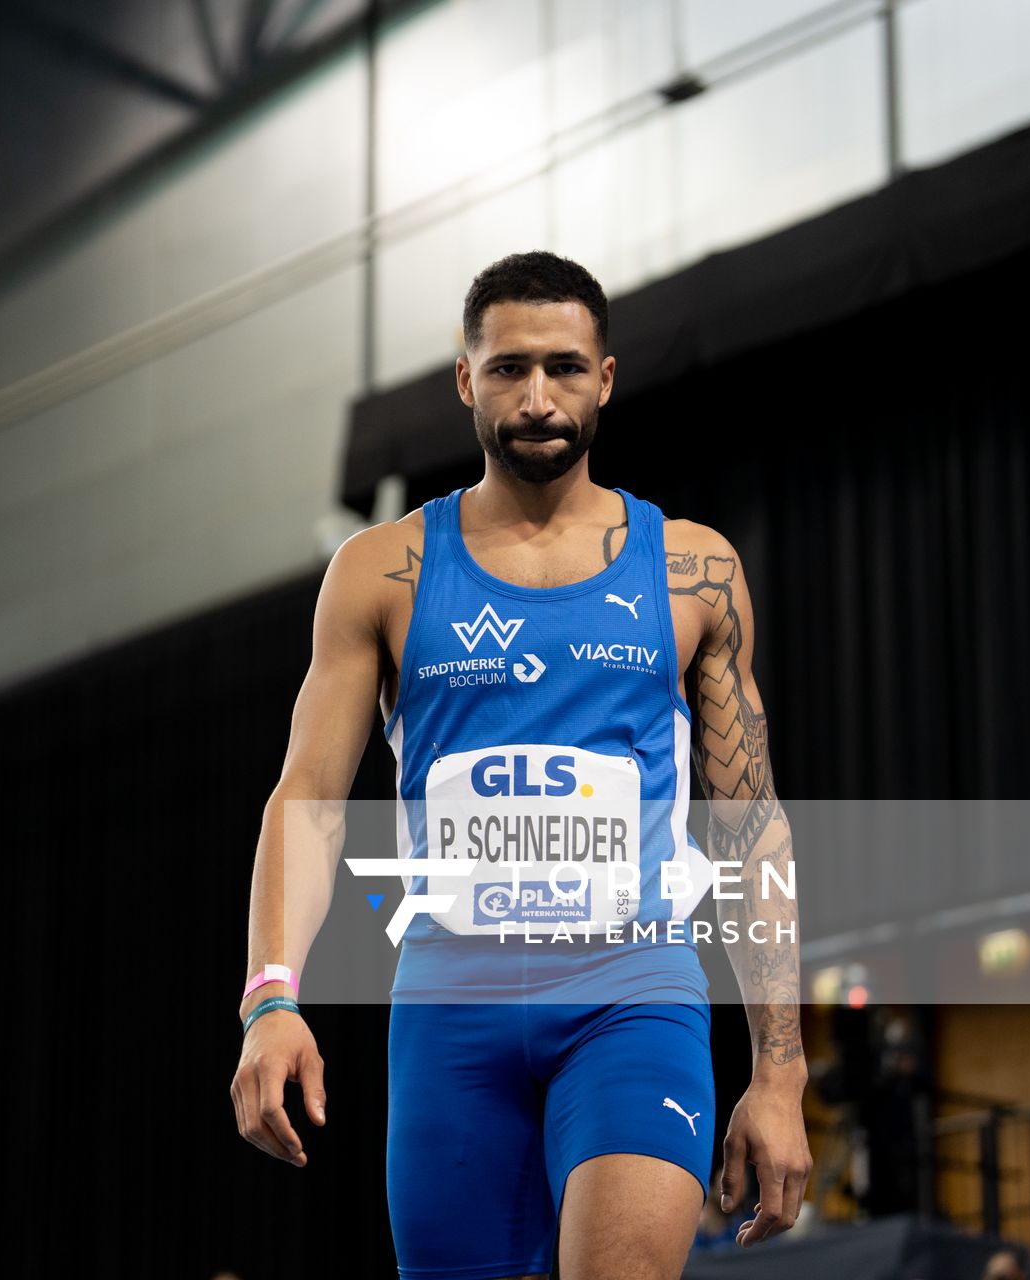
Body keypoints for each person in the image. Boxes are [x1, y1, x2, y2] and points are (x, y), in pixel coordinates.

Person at [229, 251, 811, 1279]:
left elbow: (749, 823)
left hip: (635, 988)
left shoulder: (693, 571)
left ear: (606, 377)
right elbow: (308, 797)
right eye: (507, 369)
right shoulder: (382, 571)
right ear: (466, 379)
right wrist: (271, 996)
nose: (537, 396)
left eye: (564, 367)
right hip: (454, 1003)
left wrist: (781, 1072)